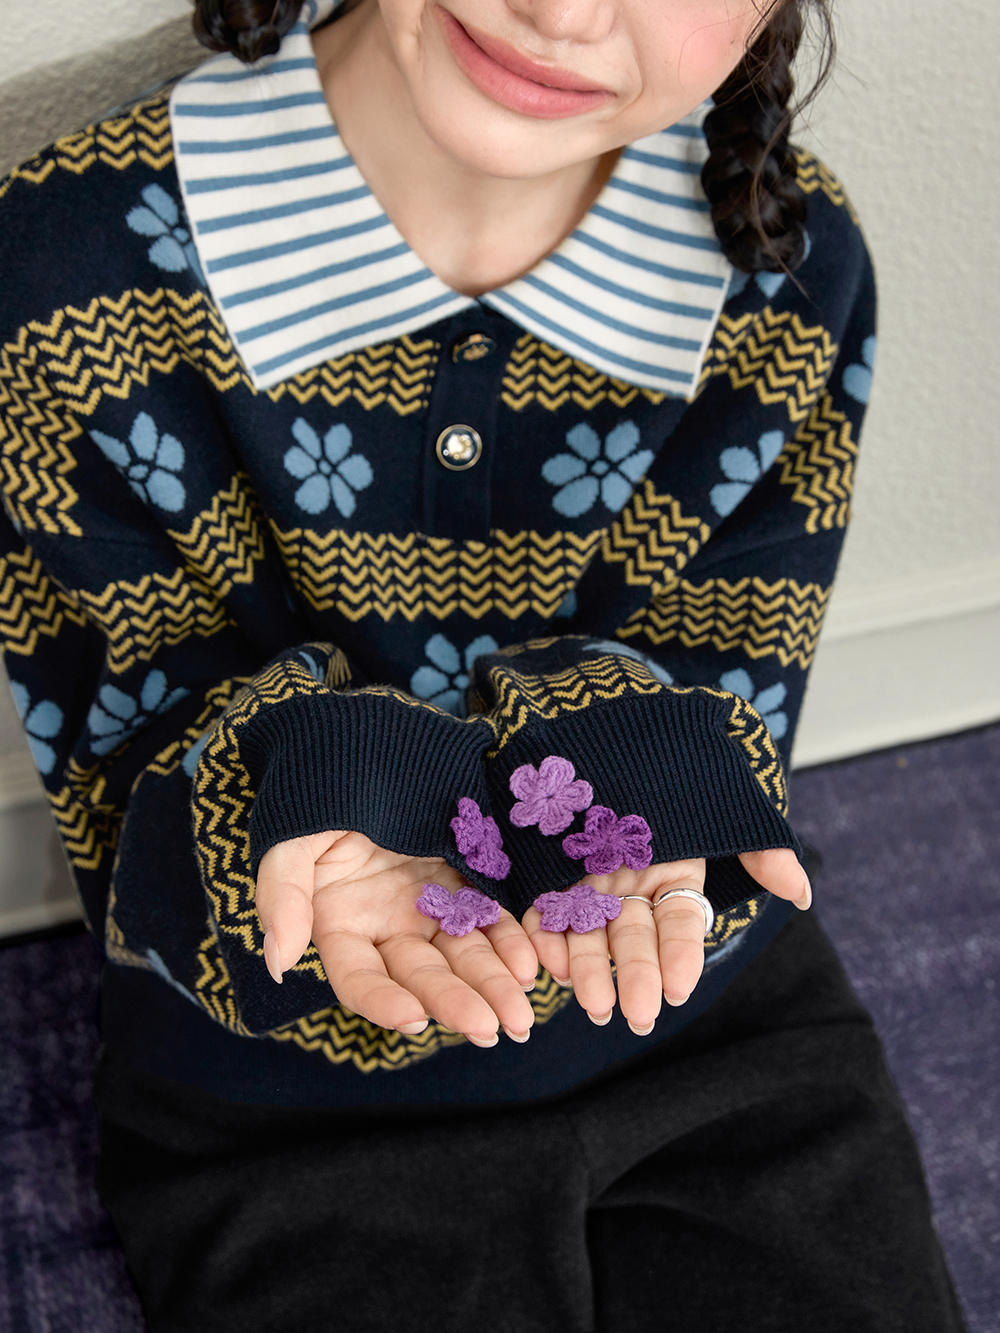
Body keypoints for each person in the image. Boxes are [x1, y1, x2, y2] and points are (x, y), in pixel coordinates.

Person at [0, 0, 967, 1328]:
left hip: (704, 1027)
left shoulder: (789, 271)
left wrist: (629, 770)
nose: (563, 11)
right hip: (282, 1098)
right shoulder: (63, 276)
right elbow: (130, 769)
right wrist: (329, 795)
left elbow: (729, 682)